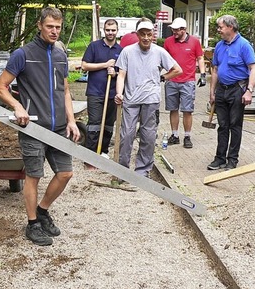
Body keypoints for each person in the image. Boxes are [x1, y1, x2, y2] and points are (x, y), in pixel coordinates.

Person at [0, 7, 80, 247]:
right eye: (50, 26)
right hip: (33, 127)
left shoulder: (61, 55)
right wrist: (17, 106)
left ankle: (43, 211)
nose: (54, 31)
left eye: (58, 27)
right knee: (34, 176)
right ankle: (32, 224)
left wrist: (71, 121)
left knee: (65, 173)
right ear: (40, 25)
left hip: (59, 127)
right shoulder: (23, 54)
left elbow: (65, 91)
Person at [114, 21, 182, 177]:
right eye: (142, 34)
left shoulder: (159, 52)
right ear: (137, 35)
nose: (146, 38)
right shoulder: (128, 51)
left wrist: (163, 77)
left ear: (153, 35)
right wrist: (119, 93)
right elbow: (121, 75)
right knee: (127, 134)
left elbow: (177, 69)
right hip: (131, 99)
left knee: (148, 135)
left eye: (149, 34)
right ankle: (122, 170)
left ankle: (143, 171)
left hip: (151, 99)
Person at [207, 15, 255, 171]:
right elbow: (215, 69)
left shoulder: (244, 45)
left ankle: (232, 160)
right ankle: (219, 158)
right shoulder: (219, 46)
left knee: (235, 126)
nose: (218, 30)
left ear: (230, 27)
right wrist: (212, 91)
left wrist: (249, 91)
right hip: (222, 90)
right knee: (222, 126)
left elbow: (253, 68)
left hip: (237, 89)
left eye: (220, 27)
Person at [81, 19, 122, 160]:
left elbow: (123, 73)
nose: (110, 33)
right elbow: (85, 66)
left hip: (111, 93)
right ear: (103, 30)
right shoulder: (94, 46)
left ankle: (103, 151)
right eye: (108, 30)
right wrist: (105, 65)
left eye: (113, 30)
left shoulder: (121, 50)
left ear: (117, 31)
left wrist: (114, 73)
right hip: (95, 92)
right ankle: (91, 155)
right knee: (94, 124)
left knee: (109, 125)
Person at [163, 17, 206, 149]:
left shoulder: (194, 42)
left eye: (176, 30)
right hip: (171, 80)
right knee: (173, 109)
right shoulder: (168, 42)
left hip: (188, 81)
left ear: (184, 30)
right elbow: (162, 58)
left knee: (187, 110)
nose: (174, 32)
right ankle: (175, 135)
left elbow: (200, 58)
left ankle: (187, 136)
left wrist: (203, 74)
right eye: (173, 30)